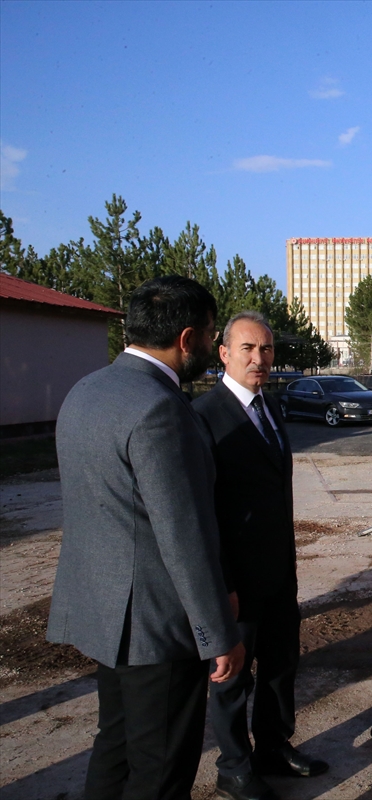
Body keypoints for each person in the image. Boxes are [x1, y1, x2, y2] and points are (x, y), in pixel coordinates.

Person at [47, 275, 244, 800]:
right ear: (186, 338)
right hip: (156, 626)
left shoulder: (85, 390)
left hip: (104, 612)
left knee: (114, 747)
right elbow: (184, 535)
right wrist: (218, 634)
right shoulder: (160, 408)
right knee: (159, 769)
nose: (211, 344)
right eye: (210, 334)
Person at [192, 311, 327, 800]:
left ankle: (273, 745)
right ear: (223, 353)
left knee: (279, 664)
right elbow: (202, 510)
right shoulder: (204, 416)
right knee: (232, 677)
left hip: (277, 570)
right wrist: (222, 583)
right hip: (235, 579)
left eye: (266, 349)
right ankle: (234, 766)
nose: (259, 358)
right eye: (247, 348)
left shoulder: (268, 406)